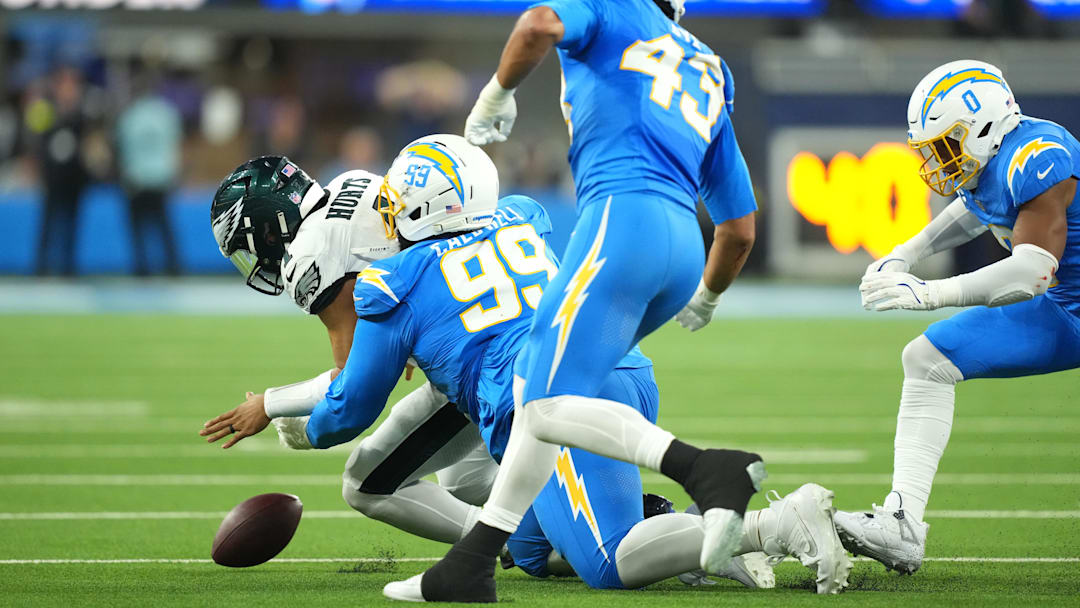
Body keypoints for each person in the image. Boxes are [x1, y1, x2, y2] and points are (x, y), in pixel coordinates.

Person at [389, 1, 851, 602]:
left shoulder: (611, 9)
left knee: (543, 406)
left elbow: (537, 25)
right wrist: (706, 296)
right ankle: (472, 564)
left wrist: (496, 95)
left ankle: (705, 469)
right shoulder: (706, 66)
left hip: (621, 224)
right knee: (543, 394)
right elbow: (739, 229)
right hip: (684, 248)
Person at [286, 134, 842, 599]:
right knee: (529, 547)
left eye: (396, 202)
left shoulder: (393, 281)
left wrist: (301, 427)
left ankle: (773, 524)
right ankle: (684, 536)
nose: (387, 214)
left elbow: (350, 409)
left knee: (609, 563)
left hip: (556, 403)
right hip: (621, 370)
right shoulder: (522, 218)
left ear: (421, 208)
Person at [839, 59, 1080, 573]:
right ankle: (902, 526)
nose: (940, 161)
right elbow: (976, 208)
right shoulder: (994, 157)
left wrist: (929, 293)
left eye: (948, 144)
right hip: (1067, 306)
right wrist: (906, 252)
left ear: (984, 126)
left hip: (1059, 297)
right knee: (927, 359)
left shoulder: (1039, 157)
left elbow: (1033, 273)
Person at [115, 75, 183, 276]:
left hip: (137, 178)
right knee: (164, 226)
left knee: (138, 228)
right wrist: (174, 173)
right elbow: (175, 146)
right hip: (160, 177)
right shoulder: (166, 113)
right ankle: (173, 266)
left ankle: (142, 267)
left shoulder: (129, 115)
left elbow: (123, 149)